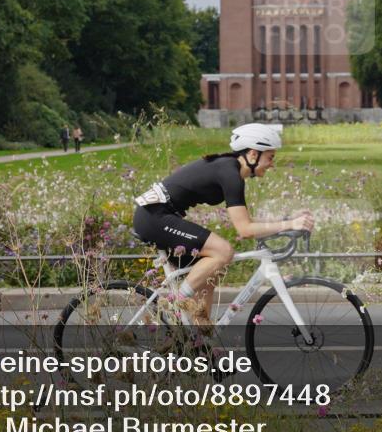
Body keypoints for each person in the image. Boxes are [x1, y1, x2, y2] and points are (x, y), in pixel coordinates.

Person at [132, 123, 314, 330]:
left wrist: (288, 221)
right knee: (223, 251)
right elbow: (244, 230)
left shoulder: (229, 169)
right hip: (153, 217)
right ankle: (176, 302)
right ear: (253, 154)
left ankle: (199, 340)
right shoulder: (230, 173)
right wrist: (290, 224)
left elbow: (248, 221)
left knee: (211, 273)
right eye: (270, 157)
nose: (272, 164)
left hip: (159, 215)